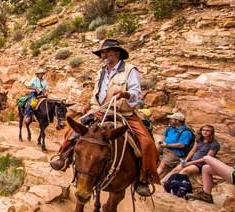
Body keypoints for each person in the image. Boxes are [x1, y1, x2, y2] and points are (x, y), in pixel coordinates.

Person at [51, 39, 159, 197]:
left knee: (147, 142)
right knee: (73, 131)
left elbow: (136, 94)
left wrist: (125, 94)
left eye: (108, 52)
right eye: (102, 52)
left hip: (122, 113)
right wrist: (89, 105)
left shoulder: (130, 70)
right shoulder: (102, 71)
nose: (104, 55)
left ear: (117, 53)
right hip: (99, 110)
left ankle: (143, 179)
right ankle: (63, 157)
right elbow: (98, 92)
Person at [156, 112, 194, 180]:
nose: (170, 120)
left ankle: (153, 179)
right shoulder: (170, 128)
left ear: (177, 120)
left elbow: (181, 145)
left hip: (174, 151)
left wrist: (167, 145)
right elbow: (164, 136)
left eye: (172, 119)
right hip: (164, 146)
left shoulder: (186, 132)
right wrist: (161, 142)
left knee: (163, 165)